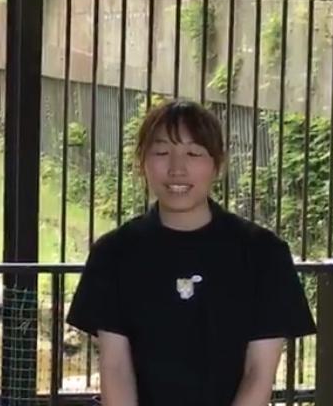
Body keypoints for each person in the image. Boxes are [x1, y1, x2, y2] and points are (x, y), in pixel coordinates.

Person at [66, 99, 316, 406]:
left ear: (217, 164)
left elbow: (259, 374)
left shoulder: (264, 254)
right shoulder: (113, 253)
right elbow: (115, 369)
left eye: (194, 153)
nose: (177, 169)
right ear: (142, 162)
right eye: (161, 153)